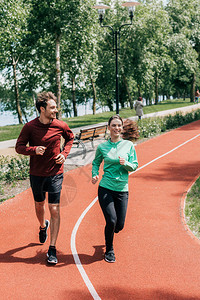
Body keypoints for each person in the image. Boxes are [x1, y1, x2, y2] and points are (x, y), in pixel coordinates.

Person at [15, 91, 74, 264]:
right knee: (39, 205)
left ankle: (52, 248)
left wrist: (64, 153)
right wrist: (33, 150)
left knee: (54, 209)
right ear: (42, 109)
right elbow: (19, 147)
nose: (56, 110)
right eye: (52, 107)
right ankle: (43, 226)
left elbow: (70, 138)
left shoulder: (60, 125)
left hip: (55, 173)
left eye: (55, 107)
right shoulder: (29, 127)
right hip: (37, 174)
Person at [92, 115, 138, 263]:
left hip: (122, 189)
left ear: (122, 128)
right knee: (111, 220)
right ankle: (109, 249)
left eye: (119, 125)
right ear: (109, 127)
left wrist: (126, 164)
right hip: (106, 188)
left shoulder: (128, 145)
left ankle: (111, 234)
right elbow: (95, 162)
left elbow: (135, 165)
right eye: (113, 125)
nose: (116, 128)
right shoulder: (102, 147)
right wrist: (95, 174)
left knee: (119, 225)